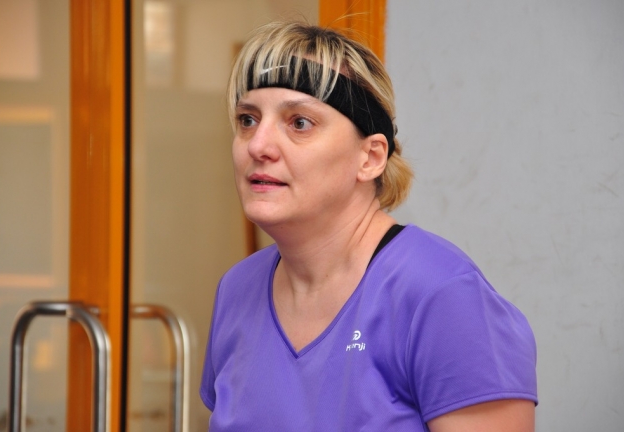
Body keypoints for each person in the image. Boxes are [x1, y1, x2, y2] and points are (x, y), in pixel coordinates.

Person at [200, 20, 537, 432]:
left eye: (299, 123)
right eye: (248, 120)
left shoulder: (441, 294)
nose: (257, 145)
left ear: (371, 157)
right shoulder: (237, 290)